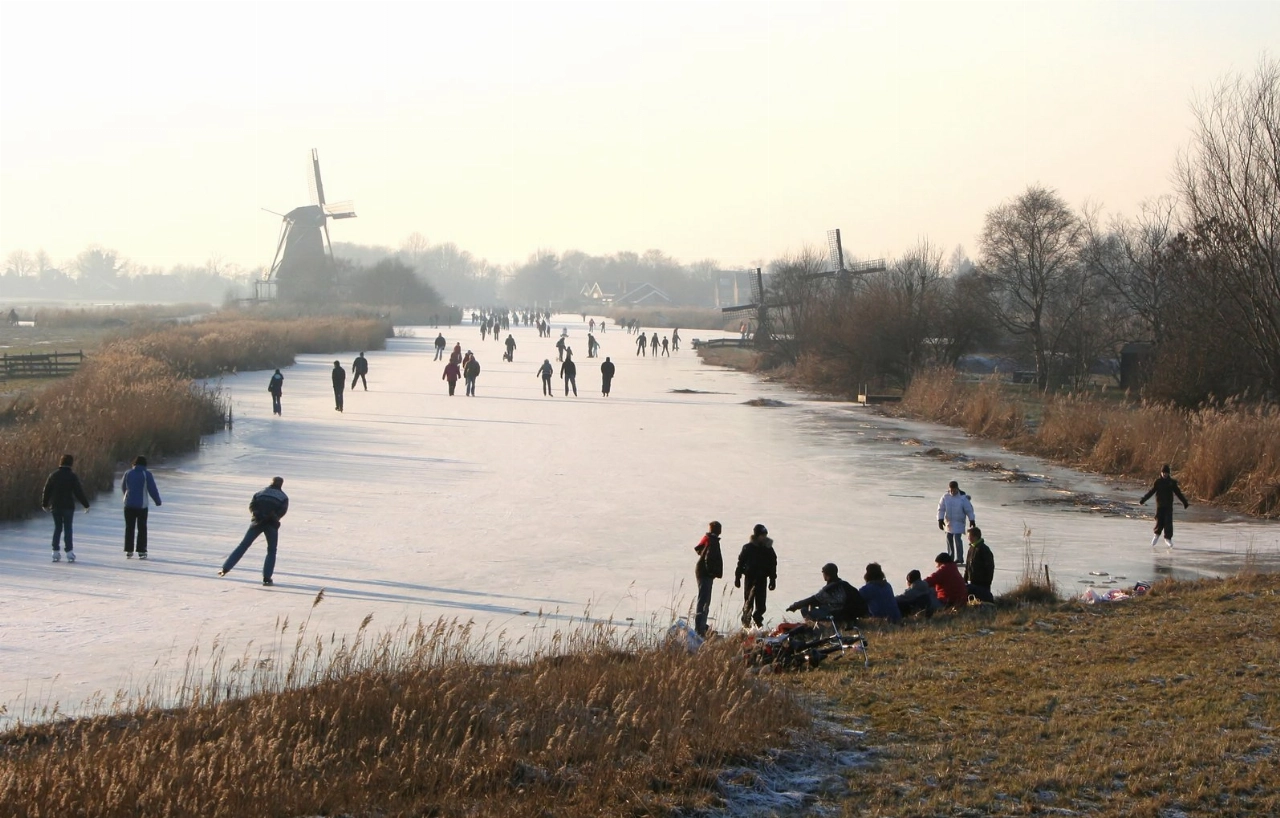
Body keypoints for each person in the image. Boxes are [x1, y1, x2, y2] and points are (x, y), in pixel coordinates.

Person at [219, 476, 288, 586]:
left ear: (271, 482)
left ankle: (226, 568)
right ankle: (267, 577)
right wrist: (271, 517)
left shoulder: (260, 493)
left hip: (256, 523)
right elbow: (281, 512)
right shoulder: (283, 497)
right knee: (271, 550)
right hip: (271, 525)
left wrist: (259, 516)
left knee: (243, 545)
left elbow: (252, 506)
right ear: (281, 484)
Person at [41, 454, 90, 563]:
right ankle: (69, 552)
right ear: (71, 463)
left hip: (56, 506)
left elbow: (47, 490)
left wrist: (44, 504)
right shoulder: (72, 476)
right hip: (68, 506)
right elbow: (78, 492)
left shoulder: (53, 475)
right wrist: (85, 504)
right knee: (68, 528)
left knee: (57, 528)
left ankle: (55, 551)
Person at [785, 563, 868, 623]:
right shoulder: (845, 584)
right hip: (848, 614)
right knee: (819, 605)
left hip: (836, 616)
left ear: (826, 574)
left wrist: (795, 606)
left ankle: (815, 626)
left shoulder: (829, 589)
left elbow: (812, 600)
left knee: (804, 609)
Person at [734, 524, 777, 629]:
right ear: (757, 535)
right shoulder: (747, 548)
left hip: (762, 579)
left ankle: (758, 622)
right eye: (762, 535)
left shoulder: (768, 548)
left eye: (765, 535)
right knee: (748, 602)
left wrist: (772, 580)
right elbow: (740, 563)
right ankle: (746, 623)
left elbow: (773, 564)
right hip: (750, 578)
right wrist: (737, 577)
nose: (764, 537)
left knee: (761, 604)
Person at [120, 455, 162, 559]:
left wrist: (127, 496)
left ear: (134, 464)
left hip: (128, 505)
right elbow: (152, 489)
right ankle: (142, 550)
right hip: (141, 506)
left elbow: (123, 486)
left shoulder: (128, 473)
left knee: (129, 527)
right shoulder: (146, 474)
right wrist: (157, 501)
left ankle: (129, 550)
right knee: (142, 528)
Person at [1140, 464, 1190, 548]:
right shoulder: (1158, 482)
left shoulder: (1172, 483)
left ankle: (1168, 538)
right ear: (1161, 472)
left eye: (1166, 473)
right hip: (1160, 506)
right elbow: (1151, 492)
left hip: (1168, 506)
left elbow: (1178, 493)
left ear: (1168, 473)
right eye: (1163, 472)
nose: (1165, 474)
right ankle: (1156, 535)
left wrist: (1184, 502)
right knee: (1159, 521)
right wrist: (1143, 499)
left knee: (1168, 522)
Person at [693, 521, 724, 637]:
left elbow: (699, 549)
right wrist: (711, 571)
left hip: (702, 572)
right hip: (705, 574)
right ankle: (700, 629)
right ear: (718, 530)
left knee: (704, 600)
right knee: (704, 601)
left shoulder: (708, 539)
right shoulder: (712, 541)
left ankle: (701, 625)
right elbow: (708, 557)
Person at [937, 480, 976, 562]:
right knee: (949, 538)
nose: (952, 491)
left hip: (959, 522)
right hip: (949, 522)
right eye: (951, 490)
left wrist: (971, 520)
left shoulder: (962, 498)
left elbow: (968, 509)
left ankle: (959, 558)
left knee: (957, 539)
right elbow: (941, 509)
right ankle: (950, 557)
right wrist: (940, 519)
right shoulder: (945, 497)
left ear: (957, 489)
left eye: (954, 490)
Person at [963, 527, 995, 603]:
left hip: (982, 584)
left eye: (969, 536)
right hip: (972, 582)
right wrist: (965, 580)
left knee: (983, 603)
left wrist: (987, 582)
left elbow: (990, 568)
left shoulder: (984, 549)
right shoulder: (971, 548)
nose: (968, 538)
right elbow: (968, 566)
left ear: (975, 537)